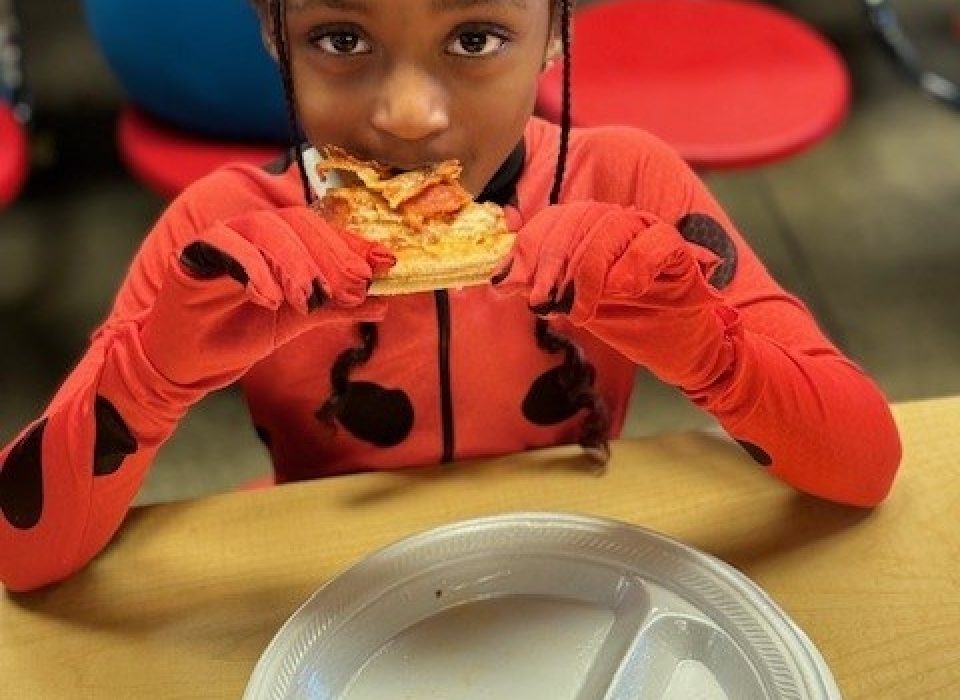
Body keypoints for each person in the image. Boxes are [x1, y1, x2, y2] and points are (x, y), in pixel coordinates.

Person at [0, 0, 901, 593]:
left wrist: (710, 350)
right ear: (277, 34)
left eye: (473, 39)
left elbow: (864, 464)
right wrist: (150, 378)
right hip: (334, 583)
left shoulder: (627, 184)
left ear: (558, 29)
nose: (407, 115)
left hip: (567, 570)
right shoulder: (227, 234)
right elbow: (20, 554)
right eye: (341, 39)